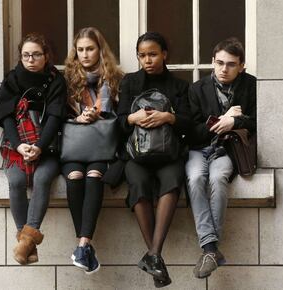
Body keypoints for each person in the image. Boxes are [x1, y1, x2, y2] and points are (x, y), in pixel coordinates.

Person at [117, 32, 191, 288]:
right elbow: (117, 123)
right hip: (136, 155)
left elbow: (189, 124)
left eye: (153, 54)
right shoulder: (129, 83)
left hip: (169, 155)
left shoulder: (180, 86)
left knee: (172, 180)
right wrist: (131, 118)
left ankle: (153, 255)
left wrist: (169, 118)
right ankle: (155, 257)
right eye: (142, 55)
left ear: (164, 54)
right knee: (137, 183)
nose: (147, 60)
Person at [185, 37, 256, 278]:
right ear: (212, 62)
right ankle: (212, 249)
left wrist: (235, 121)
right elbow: (190, 130)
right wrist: (222, 118)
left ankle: (209, 250)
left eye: (231, 64)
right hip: (197, 149)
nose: (224, 69)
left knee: (217, 179)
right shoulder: (197, 88)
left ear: (242, 65)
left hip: (227, 150)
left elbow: (257, 120)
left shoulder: (251, 86)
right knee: (195, 179)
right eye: (219, 63)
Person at [0, 33, 67, 265]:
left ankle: (24, 243)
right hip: (16, 146)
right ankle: (27, 243)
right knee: (15, 181)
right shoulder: (12, 79)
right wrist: (19, 145)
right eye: (26, 55)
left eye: (36, 54)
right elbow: (6, 116)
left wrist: (39, 147)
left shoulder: (56, 80)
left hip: (47, 147)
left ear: (46, 56)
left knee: (42, 178)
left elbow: (55, 117)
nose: (31, 59)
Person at [63, 27, 123, 274]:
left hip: (101, 146)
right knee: (75, 176)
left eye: (90, 49)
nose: (85, 54)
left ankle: (83, 245)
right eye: (81, 50)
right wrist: (77, 119)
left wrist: (98, 115)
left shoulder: (115, 79)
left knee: (94, 176)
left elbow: (120, 117)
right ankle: (85, 246)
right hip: (74, 145)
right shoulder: (66, 80)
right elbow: (59, 115)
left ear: (100, 50)